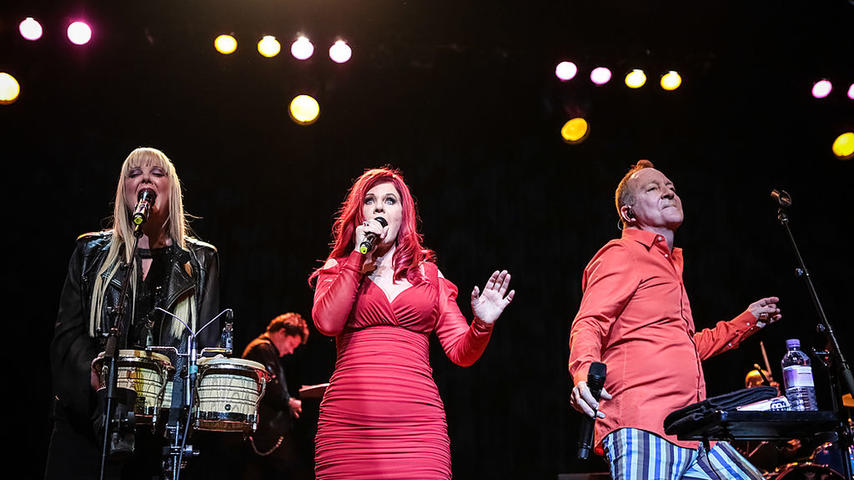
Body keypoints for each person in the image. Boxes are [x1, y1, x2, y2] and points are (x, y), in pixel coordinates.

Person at [568, 160, 782, 480]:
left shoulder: (670, 267)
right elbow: (589, 321)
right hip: (643, 426)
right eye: (653, 188)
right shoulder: (622, 254)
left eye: (671, 187)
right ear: (628, 212)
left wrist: (745, 321)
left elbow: (686, 346)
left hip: (694, 430)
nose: (668, 192)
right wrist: (584, 372)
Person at [308, 167, 515, 479]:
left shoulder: (428, 275)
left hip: (418, 430)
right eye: (370, 201)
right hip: (349, 427)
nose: (379, 207)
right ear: (360, 214)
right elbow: (327, 322)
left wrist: (482, 325)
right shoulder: (339, 268)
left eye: (390, 200)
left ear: (403, 214)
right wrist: (357, 258)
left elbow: (461, 352)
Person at [46, 147, 221, 479]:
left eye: (157, 173)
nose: (145, 180)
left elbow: (206, 346)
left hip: (159, 433)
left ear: (171, 190)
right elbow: (67, 336)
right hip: (88, 425)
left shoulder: (201, 261)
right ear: (124, 190)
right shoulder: (90, 253)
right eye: (135, 174)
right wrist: (96, 375)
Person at [240, 312, 310, 478]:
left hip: (264, 432)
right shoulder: (262, 349)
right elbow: (271, 386)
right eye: (291, 344)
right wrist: (289, 402)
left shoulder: (265, 350)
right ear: (282, 332)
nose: (291, 351)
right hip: (264, 434)